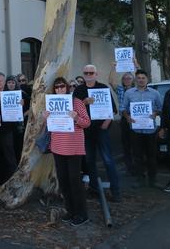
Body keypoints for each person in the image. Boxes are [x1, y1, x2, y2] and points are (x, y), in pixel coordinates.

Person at [43, 77, 91, 226]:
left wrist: (76, 117)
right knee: (63, 182)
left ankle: (82, 214)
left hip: (74, 148)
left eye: (62, 86)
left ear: (67, 87)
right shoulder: (51, 103)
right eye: (56, 87)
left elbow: (87, 122)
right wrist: (46, 118)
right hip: (57, 147)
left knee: (75, 182)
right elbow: (50, 126)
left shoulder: (76, 102)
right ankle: (70, 211)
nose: (59, 89)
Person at [73, 65, 121, 202]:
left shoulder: (103, 88)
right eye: (86, 72)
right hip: (85, 130)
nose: (89, 74)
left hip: (101, 129)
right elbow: (74, 110)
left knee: (108, 160)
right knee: (89, 161)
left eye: (91, 72)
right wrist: (84, 102)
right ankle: (94, 188)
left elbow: (112, 109)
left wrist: (106, 122)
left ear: (96, 74)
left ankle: (115, 190)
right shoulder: (79, 90)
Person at [122, 69, 162, 188]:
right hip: (136, 129)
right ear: (136, 79)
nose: (141, 80)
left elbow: (160, 108)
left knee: (152, 156)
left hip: (150, 130)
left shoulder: (155, 93)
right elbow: (123, 108)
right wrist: (127, 117)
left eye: (143, 78)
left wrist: (155, 113)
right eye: (138, 78)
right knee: (137, 156)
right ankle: (140, 179)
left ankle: (153, 180)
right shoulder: (129, 93)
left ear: (147, 79)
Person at [109, 59, 139, 175]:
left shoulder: (137, 89)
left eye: (129, 78)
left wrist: (136, 65)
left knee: (136, 144)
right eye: (125, 78)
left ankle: (138, 167)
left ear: (133, 80)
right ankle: (129, 167)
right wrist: (113, 67)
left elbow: (142, 76)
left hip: (136, 119)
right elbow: (110, 81)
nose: (127, 80)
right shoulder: (120, 89)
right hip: (124, 119)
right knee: (126, 144)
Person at [0, 73, 18, 184]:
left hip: (6, 130)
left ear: (4, 82)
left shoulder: (11, 95)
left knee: (9, 154)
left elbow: (18, 111)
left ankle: (13, 179)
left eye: (1, 81)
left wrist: (21, 104)